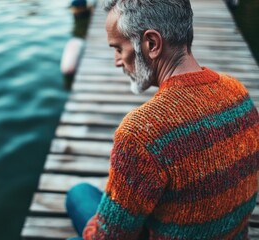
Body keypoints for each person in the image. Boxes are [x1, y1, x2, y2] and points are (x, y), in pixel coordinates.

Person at [65, 0, 259, 239]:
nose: (116, 61)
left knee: (78, 199)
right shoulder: (238, 92)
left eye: (118, 48)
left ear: (152, 43)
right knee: (79, 193)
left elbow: (111, 236)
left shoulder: (141, 133)